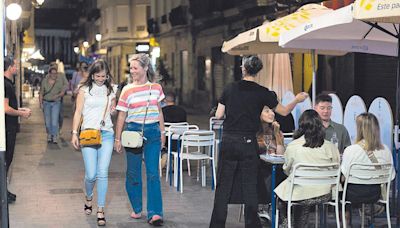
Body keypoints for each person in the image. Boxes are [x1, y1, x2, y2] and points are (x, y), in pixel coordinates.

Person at [209, 55, 308, 228]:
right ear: (258, 71)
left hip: (229, 139)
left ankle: (217, 225)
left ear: (243, 68)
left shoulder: (229, 88)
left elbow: (218, 115)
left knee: (223, 186)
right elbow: (284, 112)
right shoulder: (263, 92)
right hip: (248, 141)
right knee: (250, 186)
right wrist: (297, 100)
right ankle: (252, 225)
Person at [114, 53, 165, 226]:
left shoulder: (156, 87)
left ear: (145, 68)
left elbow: (159, 111)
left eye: (135, 67)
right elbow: (121, 115)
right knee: (133, 174)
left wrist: (163, 132)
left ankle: (155, 213)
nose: (132, 71)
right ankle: (137, 208)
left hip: (152, 133)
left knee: (153, 174)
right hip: (133, 132)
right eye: (131, 67)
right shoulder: (127, 89)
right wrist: (117, 138)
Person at [274, 110, 340, 227]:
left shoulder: (293, 146)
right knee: (298, 193)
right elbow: (336, 168)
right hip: (325, 194)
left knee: (285, 195)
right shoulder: (330, 146)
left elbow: (287, 170)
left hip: (301, 193)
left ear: (300, 126)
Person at [71, 59, 116, 226]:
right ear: (92, 74)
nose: (101, 79)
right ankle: (88, 197)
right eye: (98, 76)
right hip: (88, 133)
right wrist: (75, 133)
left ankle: (101, 209)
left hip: (106, 133)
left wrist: (113, 109)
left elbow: (113, 108)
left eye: (104, 76)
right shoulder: (84, 90)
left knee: (102, 172)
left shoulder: (111, 89)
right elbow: (77, 112)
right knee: (91, 174)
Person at [340, 112, 395, 225]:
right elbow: (392, 176)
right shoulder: (386, 150)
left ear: (359, 129)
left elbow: (344, 175)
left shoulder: (350, 150)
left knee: (340, 188)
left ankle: (346, 223)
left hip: (353, 194)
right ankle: (368, 213)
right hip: (375, 194)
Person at [4, 56, 32, 203]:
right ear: (9, 67)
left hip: (9, 127)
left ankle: (4, 191)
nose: (17, 67)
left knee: (7, 161)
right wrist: (21, 113)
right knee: (6, 160)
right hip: (7, 129)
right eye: (15, 65)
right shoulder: (5, 85)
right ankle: (3, 193)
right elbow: (5, 108)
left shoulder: (7, 83)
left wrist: (20, 109)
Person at [256, 106, 286, 209]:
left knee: (282, 173)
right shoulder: (253, 131)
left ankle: (277, 209)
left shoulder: (275, 130)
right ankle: (265, 206)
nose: (272, 114)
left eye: (273, 111)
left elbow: (281, 154)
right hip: (259, 168)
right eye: (267, 111)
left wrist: (277, 134)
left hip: (275, 167)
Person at [160, 91, 187, 169]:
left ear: (165, 100)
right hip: (179, 140)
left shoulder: (162, 111)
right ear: (175, 100)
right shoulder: (182, 111)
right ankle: (175, 157)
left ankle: (164, 153)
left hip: (166, 140)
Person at [39, 67, 66, 144]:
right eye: (52, 73)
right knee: (47, 121)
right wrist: (40, 103)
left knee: (54, 121)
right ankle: (49, 134)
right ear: (49, 74)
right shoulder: (45, 81)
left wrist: (57, 96)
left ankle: (54, 136)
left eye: (55, 73)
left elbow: (62, 92)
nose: (54, 75)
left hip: (56, 103)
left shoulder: (59, 82)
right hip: (46, 103)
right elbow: (41, 93)